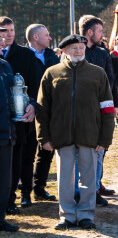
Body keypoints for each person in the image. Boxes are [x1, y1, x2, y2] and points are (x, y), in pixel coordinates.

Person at [36, 34, 115, 231]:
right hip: (61, 136)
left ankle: (87, 215)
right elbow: (42, 108)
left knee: (89, 178)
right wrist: (43, 137)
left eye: (81, 47)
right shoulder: (51, 73)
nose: (78, 51)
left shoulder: (98, 73)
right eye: (74, 48)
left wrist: (105, 139)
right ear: (64, 51)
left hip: (90, 135)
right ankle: (67, 215)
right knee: (65, 178)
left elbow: (107, 108)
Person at [78, 15, 118, 206]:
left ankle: (95, 188)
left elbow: (111, 81)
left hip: (101, 108)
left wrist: (115, 105)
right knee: (81, 152)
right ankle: (80, 191)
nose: (103, 35)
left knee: (100, 150)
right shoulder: (75, 50)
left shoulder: (103, 53)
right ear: (89, 32)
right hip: (80, 109)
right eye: (100, 31)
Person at [0, 17, 38, 214]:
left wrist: (33, 105)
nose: (10, 34)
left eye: (12, 30)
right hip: (2, 119)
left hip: (20, 121)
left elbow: (35, 86)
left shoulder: (26, 55)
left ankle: (11, 200)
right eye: (4, 30)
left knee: (16, 161)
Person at [26, 24, 60, 204]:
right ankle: (25, 189)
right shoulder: (24, 56)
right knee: (29, 150)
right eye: (46, 35)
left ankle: (39, 188)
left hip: (50, 109)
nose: (49, 37)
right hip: (30, 109)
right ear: (35, 38)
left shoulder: (51, 56)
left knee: (47, 149)